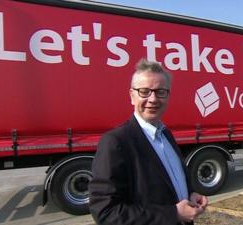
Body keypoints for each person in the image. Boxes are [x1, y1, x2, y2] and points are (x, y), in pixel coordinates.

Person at [89, 59, 208, 225]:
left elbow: (170, 182)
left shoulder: (166, 134)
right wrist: (173, 214)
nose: (153, 99)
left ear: (168, 96)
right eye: (144, 91)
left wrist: (190, 194)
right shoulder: (116, 142)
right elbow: (106, 212)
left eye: (160, 92)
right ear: (132, 96)